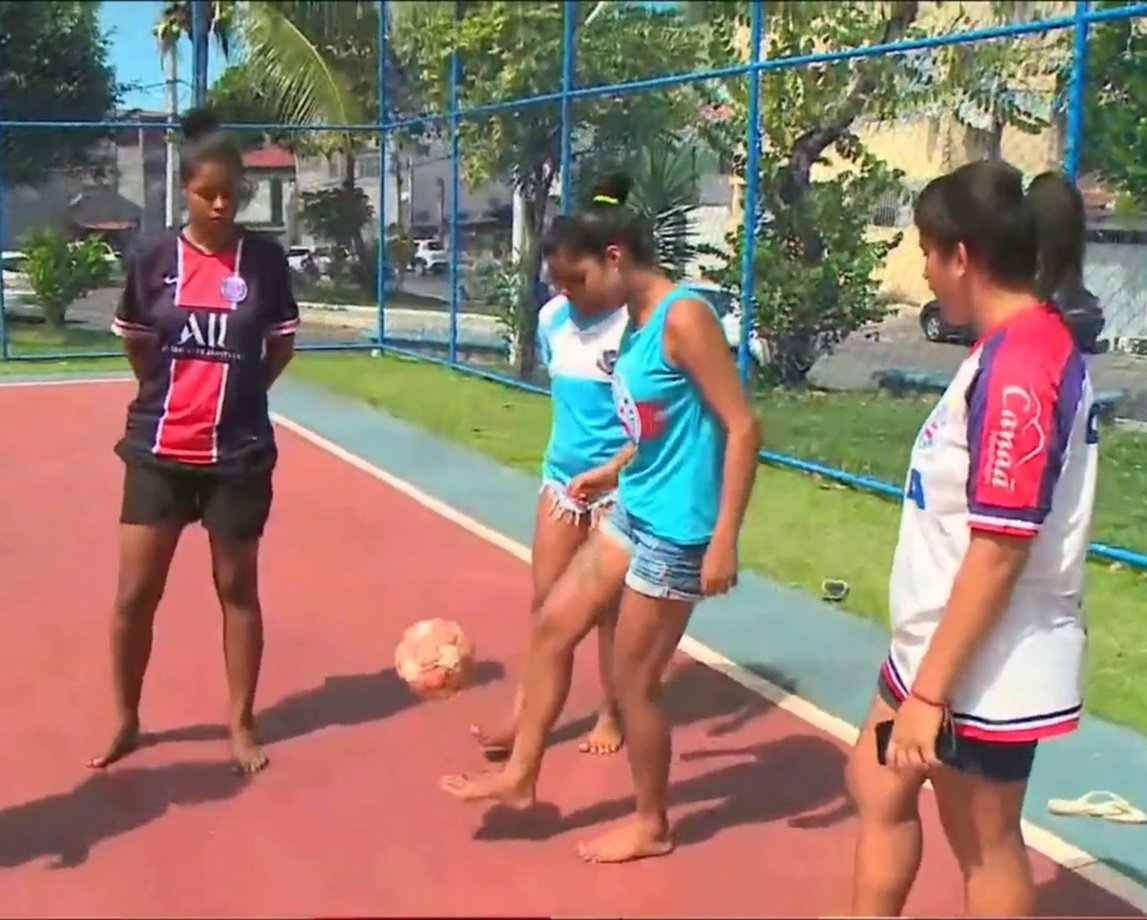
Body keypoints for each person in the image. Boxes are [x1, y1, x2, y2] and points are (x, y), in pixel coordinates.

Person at [441, 173, 762, 865]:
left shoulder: (683, 316)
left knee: (633, 683)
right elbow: (658, 421)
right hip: (636, 503)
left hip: (677, 530)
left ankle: (652, 823)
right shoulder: (640, 322)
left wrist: (724, 539)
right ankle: (521, 777)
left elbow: (740, 427)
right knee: (553, 623)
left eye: (575, 280)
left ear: (614, 256)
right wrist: (614, 468)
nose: (568, 296)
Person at [846, 162, 1097, 917]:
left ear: (962, 255)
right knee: (876, 779)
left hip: (981, 668)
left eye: (925, 250)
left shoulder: (1021, 364)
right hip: (933, 642)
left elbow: (999, 549)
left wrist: (930, 694)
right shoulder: (1004, 349)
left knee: (984, 849)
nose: (922, 270)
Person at [89, 108, 300, 775]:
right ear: (184, 188)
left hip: (237, 453)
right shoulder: (153, 260)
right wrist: (167, 390)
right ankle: (126, 719)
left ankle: (240, 723)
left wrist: (241, 392)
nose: (220, 202)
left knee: (236, 589)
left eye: (231, 193)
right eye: (208, 191)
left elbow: (280, 344)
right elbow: (135, 340)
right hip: (158, 449)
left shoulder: (263, 262)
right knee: (133, 595)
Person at [469, 278, 633, 759]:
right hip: (561, 479)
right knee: (547, 606)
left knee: (609, 613)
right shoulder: (552, 317)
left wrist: (612, 471)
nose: (566, 286)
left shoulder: (632, 325)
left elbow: (653, 417)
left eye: (574, 274)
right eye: (558, 276)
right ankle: (525, 715)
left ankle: (611, 710)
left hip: (617, 486)